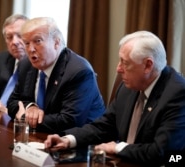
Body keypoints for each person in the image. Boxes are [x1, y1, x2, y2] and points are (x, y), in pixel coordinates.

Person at [44, 31, 185, 166]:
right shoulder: (127, 88)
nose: (118, 69)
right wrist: (68, 140)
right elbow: (104, 126)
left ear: (148, 65)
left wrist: (118, 148)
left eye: (125, 63)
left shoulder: (177, 93)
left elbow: (162, 153)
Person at [7, 17, 106, 134]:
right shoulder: (26, 65)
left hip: (82, 144)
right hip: (40, 137)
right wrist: (30, 107)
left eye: (37, 41)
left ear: (56, 42)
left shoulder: (78, 71)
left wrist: (25, 118)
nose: (31, 49)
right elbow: (12, 102)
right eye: (27, 43)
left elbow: (69, 121)